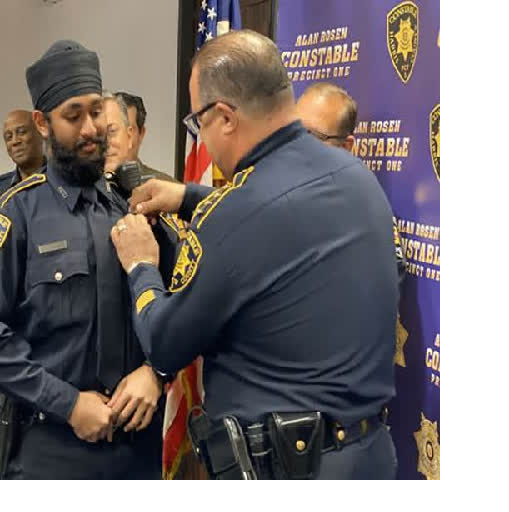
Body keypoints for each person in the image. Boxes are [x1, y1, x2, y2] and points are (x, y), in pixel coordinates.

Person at [111, 30, 399, 480]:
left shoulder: (238, 213)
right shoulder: (353, 174)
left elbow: (165, 345)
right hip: (367, 456)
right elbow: (281, 218)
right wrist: (188, 196)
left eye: (198, 124)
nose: (201, 140)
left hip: (289, 469)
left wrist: (141, 264)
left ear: (224, 117)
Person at [0, 40, 164, 480]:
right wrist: (68, 404)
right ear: (42, 123)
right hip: (53, 445)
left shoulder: (137, 207)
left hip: (138, 448)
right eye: (73, 116)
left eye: (96, 111)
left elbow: (189, 300)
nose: (91, 128)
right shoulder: (14, 216)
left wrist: (155, 370)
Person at [296, 82, 407, 280]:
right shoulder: (273, 193)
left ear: (346, 146)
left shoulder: (366, 207)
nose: (297, 145)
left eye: (313, 136)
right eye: (294, 132)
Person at [0, 109, 45, 209]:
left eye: (22, 132)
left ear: (40, 133)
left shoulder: (61, 182)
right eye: (9, 137)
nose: (15, 141)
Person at [114, 91, 176, 182]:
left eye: (129, 131)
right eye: (113, 130)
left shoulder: (167, 188)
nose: (119, 140)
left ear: (141, 134)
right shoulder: (87, 187)